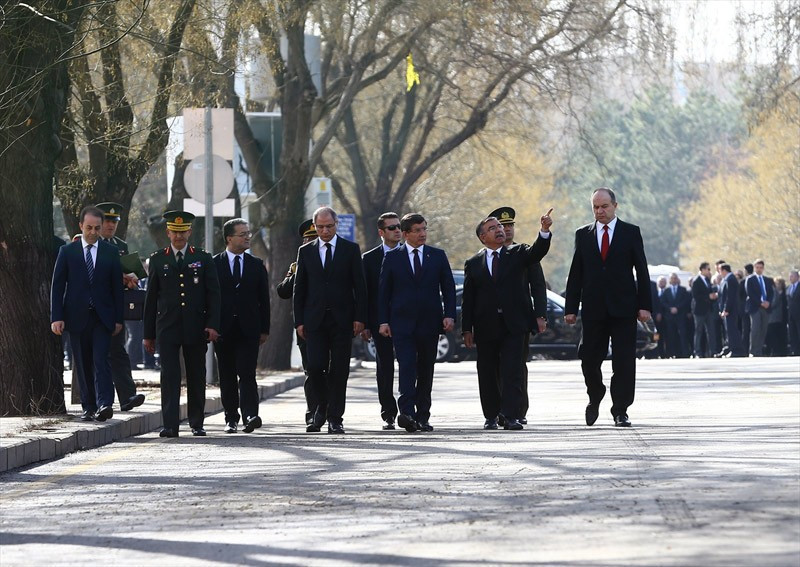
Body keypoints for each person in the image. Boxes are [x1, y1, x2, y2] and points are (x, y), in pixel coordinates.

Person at [564, 188, 652, 428]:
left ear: (615, 206)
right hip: (593, 308)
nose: (599, 211)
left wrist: (645, 305)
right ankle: (596, 393)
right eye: (595, 207)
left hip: (624, 307)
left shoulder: (630, 233)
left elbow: (642, 271)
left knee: (624, 361)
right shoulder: (583, 234)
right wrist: (570, 307)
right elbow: (576, 273)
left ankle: (620, 409)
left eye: (604, 206)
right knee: (588, 358)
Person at [461, 211, 552, 430]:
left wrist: (545, 231)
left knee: (513, 370)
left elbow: (537, 252)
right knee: (488, 371)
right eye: (492, 228)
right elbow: (468, 299)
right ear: (483, 237)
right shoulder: (474, 263)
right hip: (485, 325)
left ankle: (511, 416)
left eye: (500, 227)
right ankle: (491, 416)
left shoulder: (518, 253)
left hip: (515, 323)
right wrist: (467, 329)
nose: (500, 230)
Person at [143, 211, 221, 437]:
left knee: (196, 374)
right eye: (174, 232)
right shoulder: (158, 259)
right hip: (167, 326)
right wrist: (148, 334)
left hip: (196, 326)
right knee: (169, 376)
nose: (179, 236)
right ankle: (170, 425)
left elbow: (213, 295)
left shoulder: (203, 258)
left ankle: (197, 422)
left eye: (183, 231)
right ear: (168, 232)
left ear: (189, 231)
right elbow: (150, 299)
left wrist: (212, 324)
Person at [378, 213, 457, 433]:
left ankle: (423, 415)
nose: (422, 234)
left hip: (429, 323)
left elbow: (448, 288)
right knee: (406, 366)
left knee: (425, 369)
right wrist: (383, 321)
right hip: (401, 323)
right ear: (405, 234)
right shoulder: (393, 257)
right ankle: (407, 414)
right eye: (417, 230)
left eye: (424, 229)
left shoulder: (437, 256)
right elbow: (384, 293)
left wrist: (449, 314)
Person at [293, 207, 367, 434]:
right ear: (315, 227)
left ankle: (335, 417)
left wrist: (360, 317)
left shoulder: (350, 250)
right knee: (315, 367)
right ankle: (322, 407)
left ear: (336, 225)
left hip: (342, 320)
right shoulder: (305, 252)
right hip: (314, 320)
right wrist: (299, 322)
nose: (325, 231)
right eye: (321, 227)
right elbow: (300, 288)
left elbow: (360, 287)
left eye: (329, 226)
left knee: (339, 369)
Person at [51, 206, 124, 422]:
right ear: (81, 226)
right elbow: (58, 286)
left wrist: (118, 319)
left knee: (101, 359)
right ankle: (89, 406)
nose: (93, 232)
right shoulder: (68, 251)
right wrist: (56, 317)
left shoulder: (110, 252)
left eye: (97, 228)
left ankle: (105, 404)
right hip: (76, 316)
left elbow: (116, 289)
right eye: (89, 227)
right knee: (82, 362)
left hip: (102, 317)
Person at [488, 206, 549, 425]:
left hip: (519, 319)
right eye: (502, 226)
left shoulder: (524, 251)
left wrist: (540, 315)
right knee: (494, 366)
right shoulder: (486, 256)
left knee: (516, 365)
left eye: (510, 225)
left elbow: (538, 286)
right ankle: (497, 410)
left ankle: (518, 409)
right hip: (493, 322)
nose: (507, 230)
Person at [213, 219, 270, 434]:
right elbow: (209, 298)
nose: (247, 237)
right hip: (223, 329)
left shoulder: (256, 264)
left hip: (249, 329)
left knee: (247, 373)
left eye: (249, 233)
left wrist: (265, 329)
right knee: (226, 374)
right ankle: (231, 418)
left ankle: (250, 415)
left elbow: (264, 299)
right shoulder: (214, 263)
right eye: (242, 234)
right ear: (229, 238)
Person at [95, 202, 146, 411]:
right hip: (94, 308)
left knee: (118, 353)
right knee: (97, 355)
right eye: (107, 221)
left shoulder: (120, 245)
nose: (110, 225)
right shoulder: (87, 243)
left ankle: (127, 396)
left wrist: (131, 280)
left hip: (115, 309)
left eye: (114, 222)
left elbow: (127, 272)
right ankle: (97, 402)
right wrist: (120, 276)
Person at [361, 212, 403, 430]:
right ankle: (388, 412)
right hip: (380, 322)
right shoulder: (369, 259)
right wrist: (366, 324)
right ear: (381, 232)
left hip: (406, 319)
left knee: (408, 365)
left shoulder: (409, 254)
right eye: (392, 228)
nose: (397, 231)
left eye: (398, 227)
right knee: (385, 366)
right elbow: (365, 294)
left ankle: (410, 409)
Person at [276, 219, 319, 426]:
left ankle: (328, 411)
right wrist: (298, 270)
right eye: (308, 239)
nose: (311, 242)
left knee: (329, 370)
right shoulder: (297, 264)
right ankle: (313, 411)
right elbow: (283, 291)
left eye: (315, 238)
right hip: (307, 326)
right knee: (311, 370)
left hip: (329, 325)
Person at [744, 259, 774, 357]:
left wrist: (768, 302)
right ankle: (752, 350)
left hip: (766, 307)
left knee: (763, 329)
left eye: (761, 268)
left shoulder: (767, 280)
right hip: (755, 307)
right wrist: (760, 302)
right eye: (757, 267)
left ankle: (759, 350)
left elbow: (771, 292)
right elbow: (750, 293)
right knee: (755, 328)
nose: (759, 269)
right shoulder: (750, 279)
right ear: (754, 268)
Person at [718, 263, 747, 358]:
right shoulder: (727, 279)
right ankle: (733, 349)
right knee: (730, 331)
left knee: (732, 331)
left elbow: (730, 296)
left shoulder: (730, 280)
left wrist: (726, 309)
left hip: (731, 310)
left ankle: (737, 350)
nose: (719, 273)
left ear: (724, 270)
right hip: (728, 310)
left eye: (720, 270)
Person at [691, 262, 719, 358]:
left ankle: (713, 351)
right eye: (708, 269)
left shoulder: (707, 280)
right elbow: (695, 296)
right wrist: (708, 296)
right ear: (702, 270)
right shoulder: (696, 281)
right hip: (699, 310)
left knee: (711, 331)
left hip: (708, 309)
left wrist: (713, 296)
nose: (709, 271)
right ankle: (697, 352)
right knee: (698, 331)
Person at [661, 272, 691, 358]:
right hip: (670, 317)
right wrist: (670, 308)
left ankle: (684, 353)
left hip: (680, 315)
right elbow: (663, 302)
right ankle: (672, 353)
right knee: (671, 335)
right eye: (672, 278)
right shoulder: (666, 291)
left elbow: (685, 301)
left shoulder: (683, 289)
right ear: (669, 280)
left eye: (675, 278)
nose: (673, 280)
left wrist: (677, 308)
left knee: (683, 335)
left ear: (677, 279)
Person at [765, 277, 788, 356]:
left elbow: (773, 303)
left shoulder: (774, 291)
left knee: (773, 334)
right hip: (773, 317)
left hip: (774, 317)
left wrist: (766, 305)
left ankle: (776, 351)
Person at [787, 270, 800, 355]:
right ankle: (795, 351)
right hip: (790, 315)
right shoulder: (788, 288)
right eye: (789, 276)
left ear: (797, 277)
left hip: (798, 314)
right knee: (793, 333)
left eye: (792, 276)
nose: (790, 278)